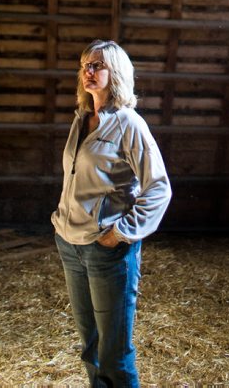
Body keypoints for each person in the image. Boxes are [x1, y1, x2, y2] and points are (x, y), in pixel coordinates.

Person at [52, 39, 172, 387]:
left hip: (107, 250)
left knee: (114, 354)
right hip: (71, 245)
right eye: (85, 65)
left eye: (97, 65)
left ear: (115, 72)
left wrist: (119, 233)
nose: (88, 71)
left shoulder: (129, 124)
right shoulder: (83, 118)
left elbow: (159, 188)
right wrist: (61, 223)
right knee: (90, 347)